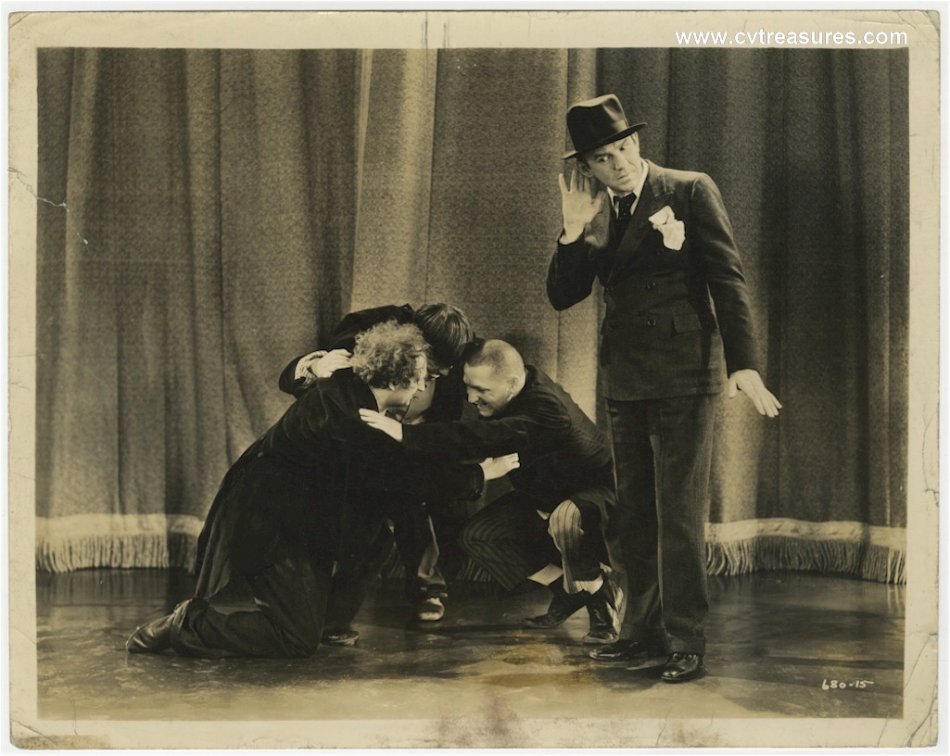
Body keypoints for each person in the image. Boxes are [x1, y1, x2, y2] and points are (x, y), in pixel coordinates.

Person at [546, 94, 782, 682]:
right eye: (603, 157)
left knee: (678, 514)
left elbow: (728, 278)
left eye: (623, 148)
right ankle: (639, 632)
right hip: (625, 378)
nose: (619, 163)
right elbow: (562, 295)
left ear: (636, 143)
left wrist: (744, 363)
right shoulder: (594, 211)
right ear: (590, 167)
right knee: (633, 515)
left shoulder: (690, 189)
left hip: (685, 373)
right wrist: (571, 235)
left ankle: (685, 639)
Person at [125, 321, 518, 658]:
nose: (420, 388)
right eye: (417, 378)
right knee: (295, 640)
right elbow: (404, 476)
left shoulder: (352, 388)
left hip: (302, 517)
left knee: (377, 529)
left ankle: (328, 620)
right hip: (272, 527)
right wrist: (481, 475)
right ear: (396, 377)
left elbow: (396, 464)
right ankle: (191, 624)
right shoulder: (350, 417)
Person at [360, 338, 622, 645]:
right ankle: (566, 591)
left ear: (511, 383)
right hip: (545, 494)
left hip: (595, 494)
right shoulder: (517, 381)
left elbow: (484, 436)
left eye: (481, 391)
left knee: (565, 519)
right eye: (468, 386)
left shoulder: (548, 409)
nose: (471, 398)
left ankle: (601, 601)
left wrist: (406, 433)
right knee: (478, 537)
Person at [278, 303, 474, 630]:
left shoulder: (452, 365)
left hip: (405, 444)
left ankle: (427, 588)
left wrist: (414, 441)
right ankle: (319, 608)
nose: (429, 381)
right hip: (348, 448)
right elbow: (304, 381)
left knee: (413, 496)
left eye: (439, 374)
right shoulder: (364, 332)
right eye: (429, 370)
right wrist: (314, 365)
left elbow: (443, 428)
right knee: (360, 527)